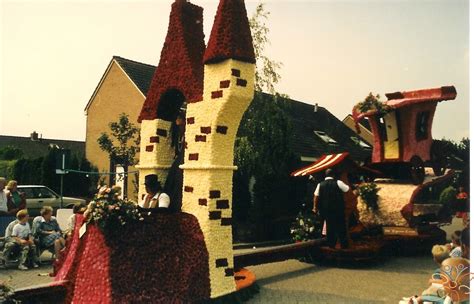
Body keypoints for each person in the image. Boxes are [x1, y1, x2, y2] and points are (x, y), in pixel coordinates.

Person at [312, 168, 350, 249]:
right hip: (338, 209)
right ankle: (344, 245)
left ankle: (331, 245)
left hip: (326, 210)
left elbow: (315, 196)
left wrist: (315, 207)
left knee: (330, 227)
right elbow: (347, 189)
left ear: (326, 175)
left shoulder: (320, 184)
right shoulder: (338, 182)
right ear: (333, 175)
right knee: (341, 227)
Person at [164, 110, 186, 212]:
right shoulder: (177, 134)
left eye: (179, 118)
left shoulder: (186, 132)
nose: (177, 120)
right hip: (179, 159)